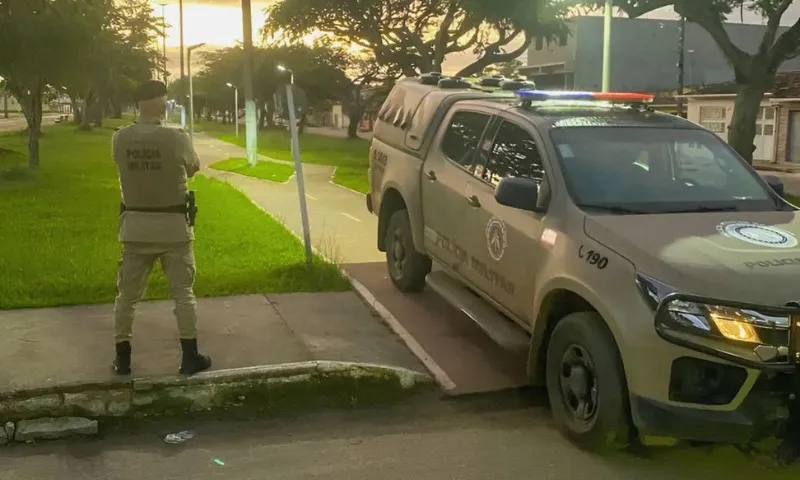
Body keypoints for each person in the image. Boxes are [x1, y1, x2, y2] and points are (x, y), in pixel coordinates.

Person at [110, 80, 211, 376]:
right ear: (160, 103)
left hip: (135, 228)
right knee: (183, 293)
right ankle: (189, 357)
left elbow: (121, 166)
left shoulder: (119, 139)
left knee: (126, 296)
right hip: (173, 229)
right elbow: (193, 167)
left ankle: (123, 359)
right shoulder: (176, 137)